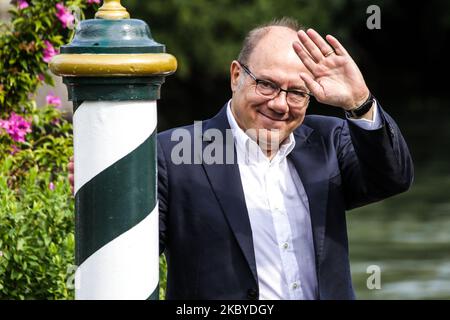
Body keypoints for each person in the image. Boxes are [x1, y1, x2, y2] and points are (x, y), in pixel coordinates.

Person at [69, 18, 413, 300]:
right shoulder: (171, 155)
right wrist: (107, 192)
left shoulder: (329, 141)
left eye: (296, 92)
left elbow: (392, 177)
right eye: (266, 84)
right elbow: (131, 254)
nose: (280, 104)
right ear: (236, 76)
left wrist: (360, 101)